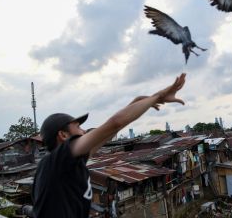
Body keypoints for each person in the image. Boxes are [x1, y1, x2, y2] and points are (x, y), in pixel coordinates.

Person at [32, 73, 186, 218]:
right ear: (63, 135)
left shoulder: (66, 164)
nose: (83, 130)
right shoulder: (57, 160)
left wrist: (137, 102)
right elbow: (114, 123)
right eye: (78, 127)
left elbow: (110, 131)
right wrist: (158, 96)